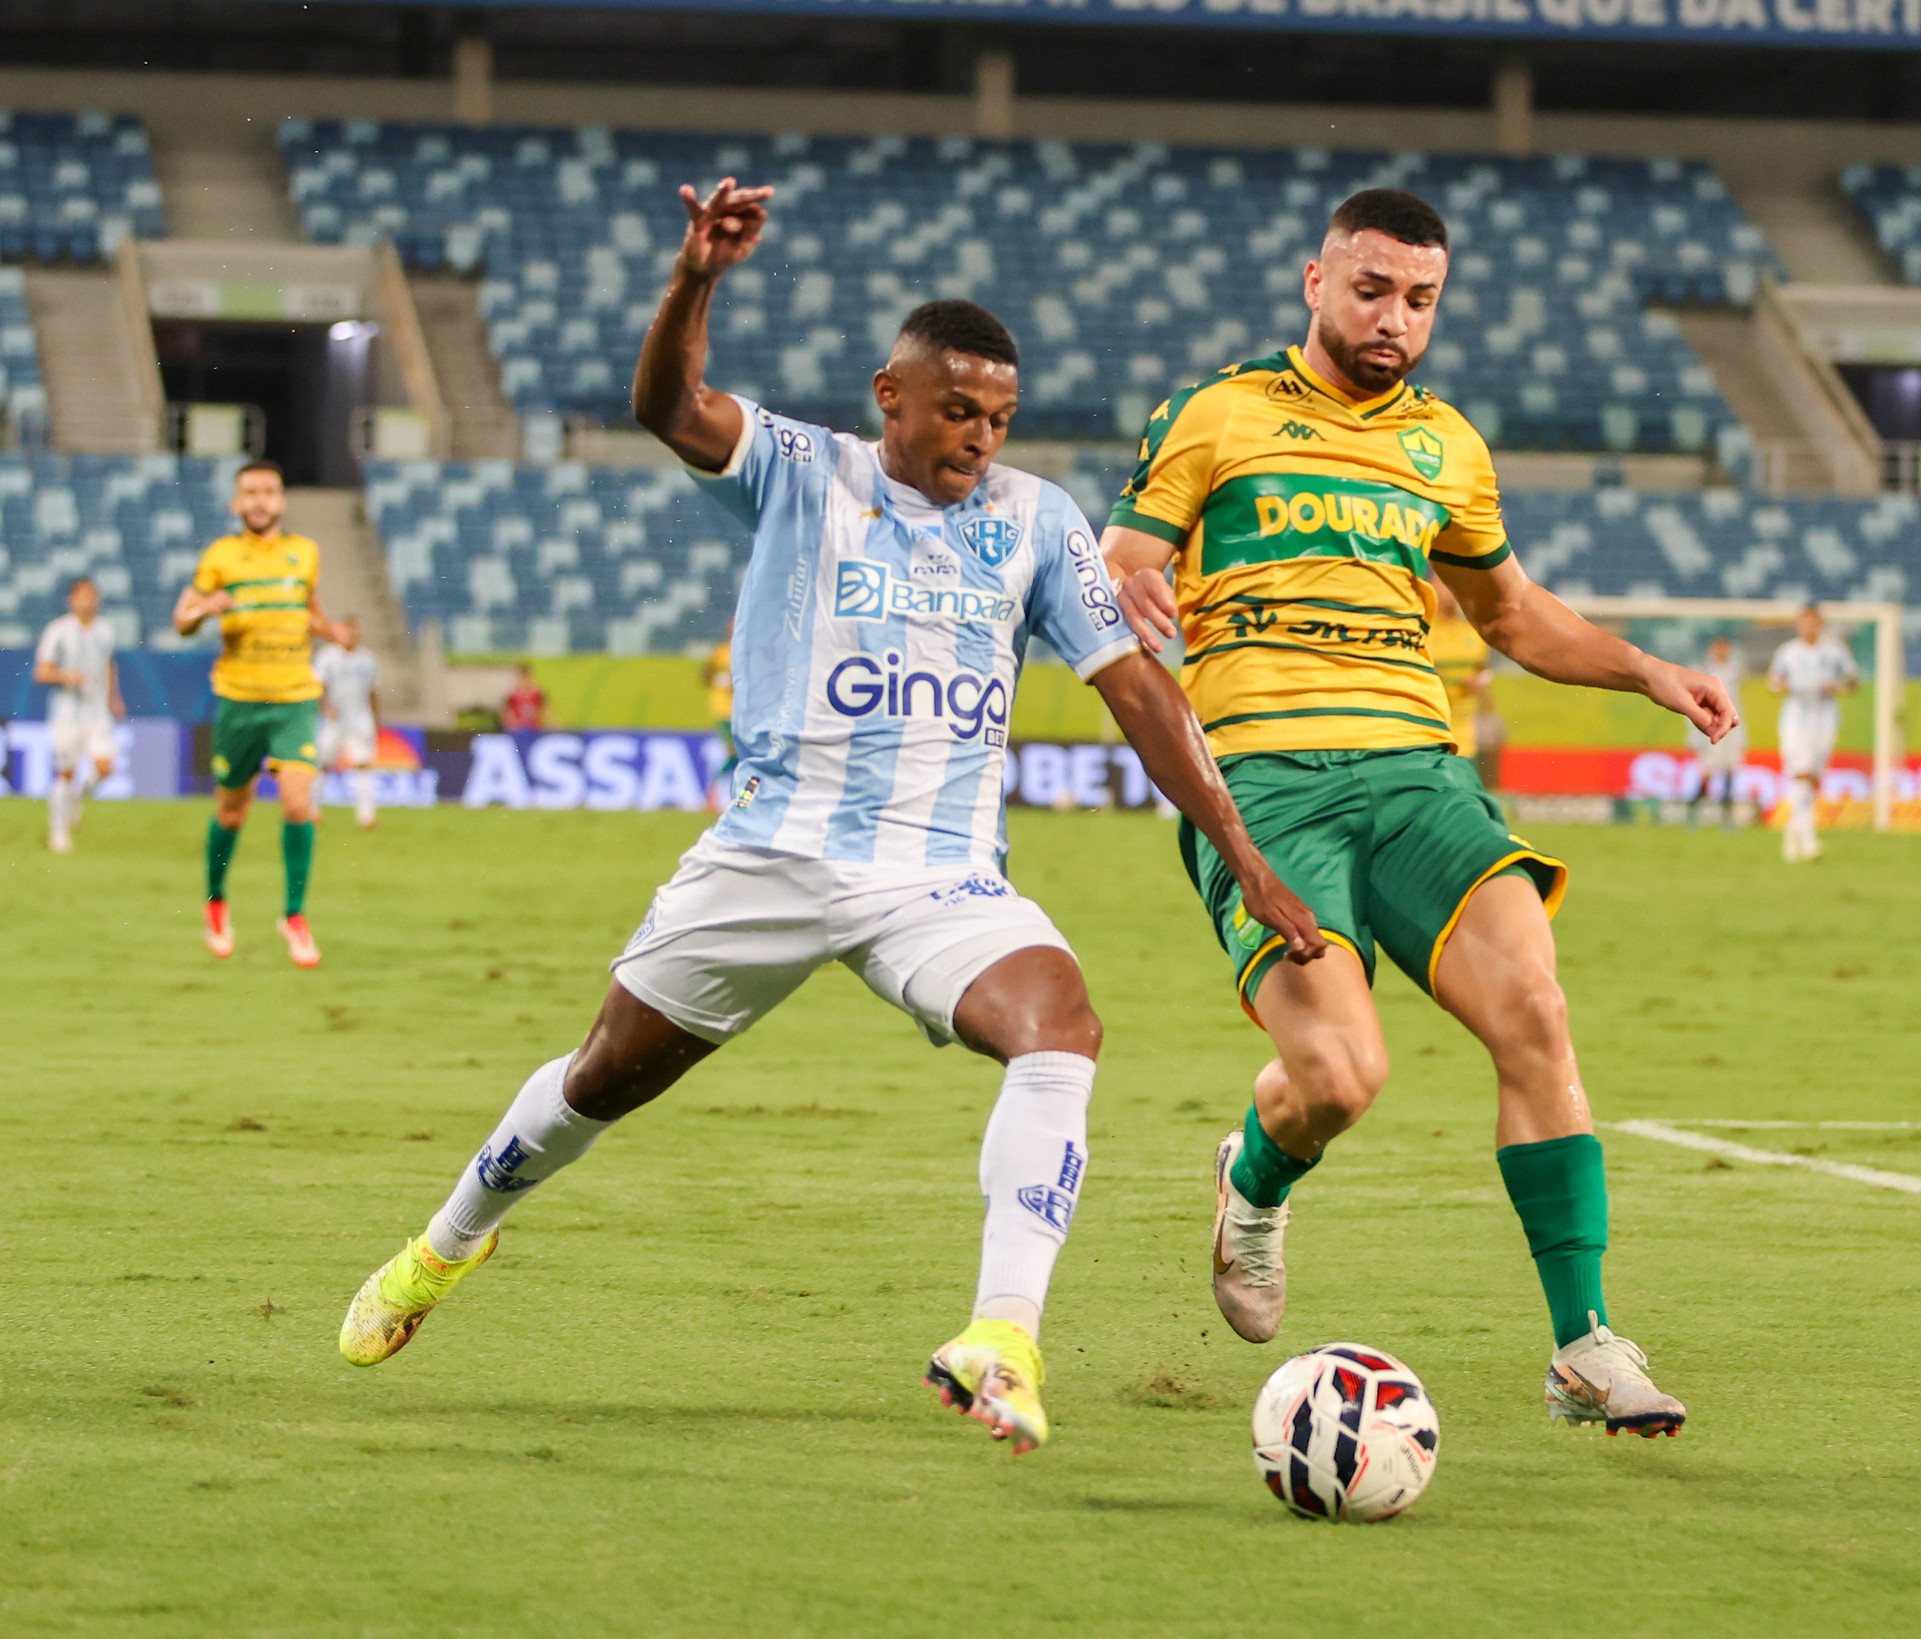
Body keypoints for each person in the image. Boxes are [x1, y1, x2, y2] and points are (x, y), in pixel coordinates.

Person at [338, 179, 1321, 1456]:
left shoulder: (1036, 522)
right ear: (890, 395)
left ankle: (1002, 1337)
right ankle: (443, 1244)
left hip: (938, 879)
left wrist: (1241, 853)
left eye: (1000, 418)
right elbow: (665, 409)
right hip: (765, 854)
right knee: (598, 1081)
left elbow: (1136, 688)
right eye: (956, 410)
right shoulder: (806, 470)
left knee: (1060, 1024)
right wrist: (695, 276)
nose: (978, 438)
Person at [1103, 187, 1739, 1438]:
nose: (1395, 319)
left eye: (1420, 300)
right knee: (1338, 1076)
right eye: (1372, 289)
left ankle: (1582, 1344)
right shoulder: (1214, 416)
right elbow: (1119, 557)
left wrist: (1646, 669)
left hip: (1416, 776)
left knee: (1536, 1013)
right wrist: (1125, 591)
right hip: (1264, 784)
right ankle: (1254, 1177)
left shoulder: (1446, 444)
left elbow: (1508, 614)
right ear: (1314, 281)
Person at [172, 458, 335, 969]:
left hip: (294, 697)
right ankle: (216, 902)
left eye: (269, 491)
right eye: (251, 492)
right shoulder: (221, 557)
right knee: (232, 812)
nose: (260, 500)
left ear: (282, 501)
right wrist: (204, 610)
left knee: (296, 802)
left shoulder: (304, 553)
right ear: (236, 503)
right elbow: (182, 619)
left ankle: (294, 915)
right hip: (240, 699)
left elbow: (310, 609)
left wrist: (335, 635)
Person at [33, 574, 123, 853]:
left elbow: (109, 664)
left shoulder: (106, 630)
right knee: (67, 772)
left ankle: (75, 799)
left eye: (91, 596)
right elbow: (41, 671)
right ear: (71, 601)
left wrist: (114, 696)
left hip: (96, 714)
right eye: (81, 596)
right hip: (67, 714)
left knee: (105, 768)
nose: (87, 602)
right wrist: (64, 676)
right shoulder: (58, 631)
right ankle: (58, 833)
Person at [1768, 605, 1858, 862]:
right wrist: (1783, 686)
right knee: (1803, 773)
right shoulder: (1788, 652)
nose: (1809, 627)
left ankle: (1792, 834)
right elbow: (1773, 682)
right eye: (1805, 622)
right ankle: (1806, 840)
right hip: (1795, 720)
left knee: (1812, 780)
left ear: (1821, 624)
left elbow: (1853, 680)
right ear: (1799, 625)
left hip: (1826, 719)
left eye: (1814, 622)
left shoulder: (1835, 650)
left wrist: (1838, 685)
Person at [314, 617, 381, 830]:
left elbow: (373, 691)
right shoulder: (327, 656)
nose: (348, 636)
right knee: (322, 763)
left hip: (359, 718)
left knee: (363, 765)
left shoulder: (369, 660)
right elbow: (319, 686)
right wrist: (326, 708)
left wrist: (376, 718)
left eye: (352, 632)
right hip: (334, 719)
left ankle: (366, 817)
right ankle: (312, 811)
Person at [1424, 572, 1492, 763]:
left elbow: (1484, 671)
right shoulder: (1422, 631)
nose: (1451, 593)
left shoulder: (1471, 633)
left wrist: (1482, 680)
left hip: (1466, 735)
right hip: (1429, 731)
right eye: (1445, 586)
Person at [1687, 633, 1748, 828]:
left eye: (1724, 646)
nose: (1721, 650)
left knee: (1730, 771)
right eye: (1717, 646)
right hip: (1710, 729)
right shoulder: (1702, 670)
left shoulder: (1735, 670)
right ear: (1711, 648)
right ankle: (1693, 811)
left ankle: (1727, 817)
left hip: (1733, 729)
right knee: (1707, 773)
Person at [703, 616, 735, 808]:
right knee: (735, 752)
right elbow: (705, 675)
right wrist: (720, 679)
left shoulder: (744, 650)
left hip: (741, 713)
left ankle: (734, 798)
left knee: (741, 756)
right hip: (723, 711)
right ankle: (713, 794)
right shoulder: (721, 652)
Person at [500, 663, 548, 731]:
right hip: (517, 728)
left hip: (534, 728)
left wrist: (537, 720)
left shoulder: (537, 692)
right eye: (522, 677)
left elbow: (543, 709)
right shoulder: (512, 693)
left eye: (527, 677)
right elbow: (506, 711)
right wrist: (514, 723)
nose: (525, 680)